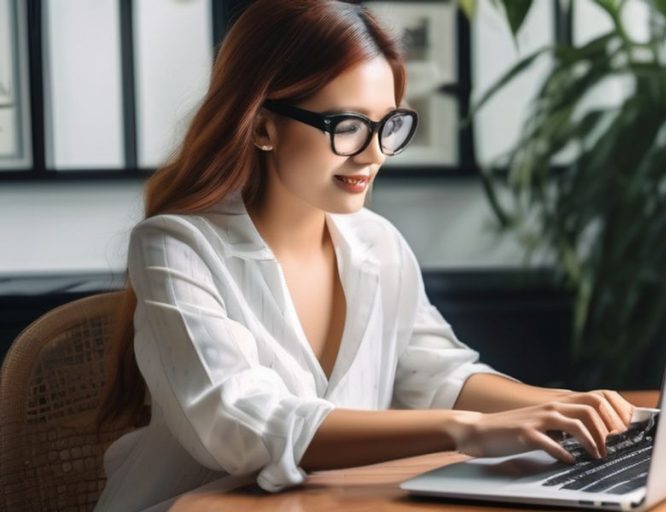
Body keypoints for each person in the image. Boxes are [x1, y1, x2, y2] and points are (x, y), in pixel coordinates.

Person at [94, 1, 637, 510]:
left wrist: (564, 405)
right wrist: (465, 429)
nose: (375, 153)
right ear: (262, 126)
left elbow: (439, 375)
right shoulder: (177, 247)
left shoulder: (377, 243)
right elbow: (243, 426)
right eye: (347, 126)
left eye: (387, 125)